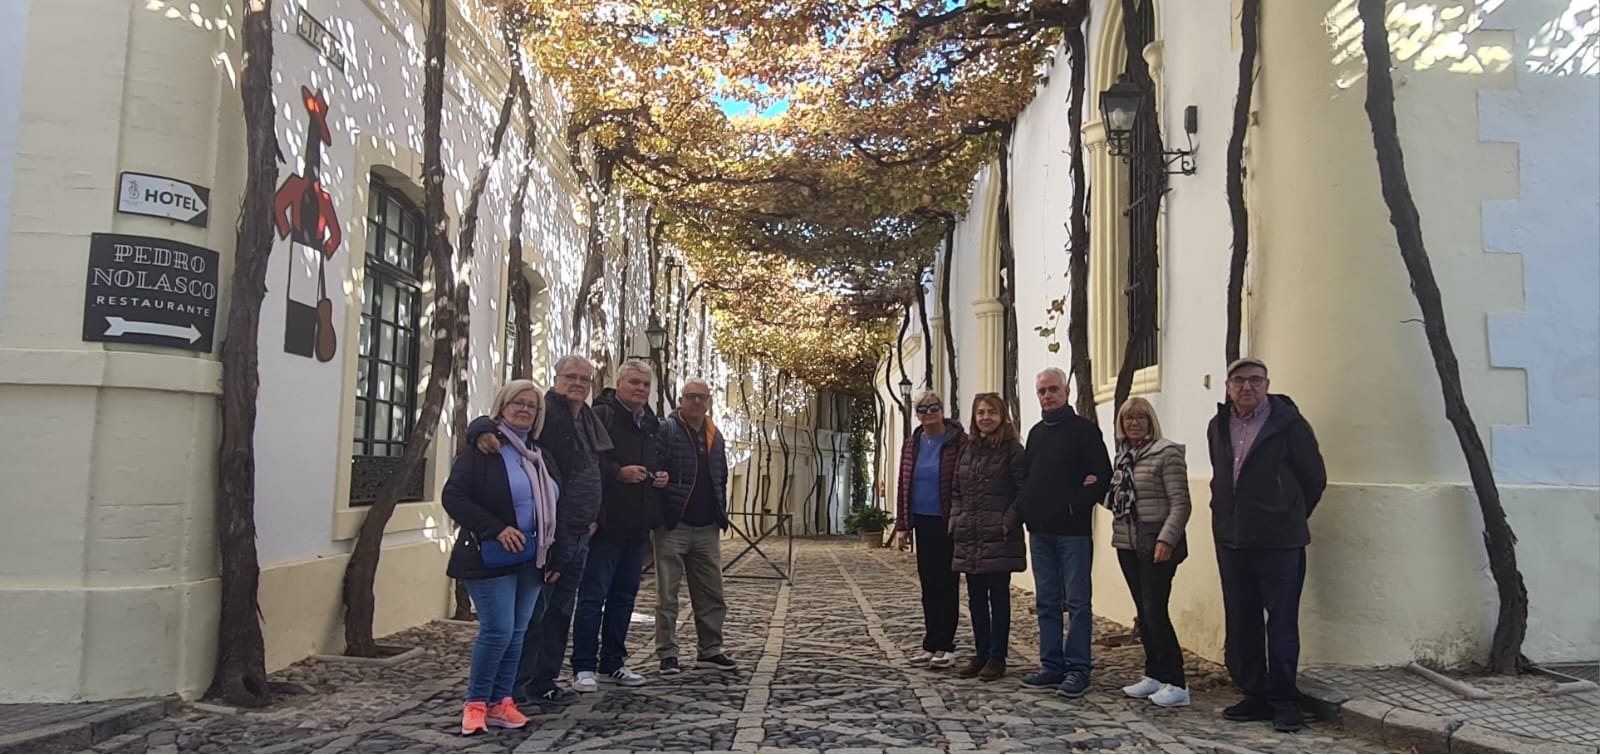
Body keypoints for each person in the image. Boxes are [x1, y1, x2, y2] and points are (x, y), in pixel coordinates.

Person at [469, 355, 612, 705]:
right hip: (551, 535)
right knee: (534, 616)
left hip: (581, 533)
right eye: (571, 377)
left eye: (585, 379)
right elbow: (491, 424)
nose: (579, 383)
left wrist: (597, 517)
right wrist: (479, 432)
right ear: (557, 378)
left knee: (561, 611)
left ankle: (543, 679)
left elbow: (597, 470)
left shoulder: (589, 419)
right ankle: (513, 686)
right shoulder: (545, 412)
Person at [1208, 357, 1327, 733]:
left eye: (1255, 380)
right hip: (1233, 539)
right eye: (1239, 381)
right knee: (1242, 621)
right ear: (1228, 387)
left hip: (1280, 542)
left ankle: (1284, 699)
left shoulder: (1287, 424)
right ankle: (1255, 694)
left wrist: (1286, 513)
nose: (1247, 387)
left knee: (1281, 623)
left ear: (1267, 384)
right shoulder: (1218, 425)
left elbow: (1314, 479)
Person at [442, 380, 561, 735]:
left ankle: (501, 702)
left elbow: (555, 506)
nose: (524, 409)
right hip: (491, 555)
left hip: (533, 557)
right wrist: (495, 529)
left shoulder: (540, 455)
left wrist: (555, 554)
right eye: (517, 403)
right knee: (497, 631)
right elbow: (454, 497)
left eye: (532, 406)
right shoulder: (485, 448)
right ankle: (476, 704)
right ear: (502, 406)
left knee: (518, 632)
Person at [570, 360, 667, 692]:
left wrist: (657, 476)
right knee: (592, 596)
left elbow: (652, 462)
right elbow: (587, 462)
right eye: (634, 383)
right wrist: (617, 473)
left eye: (645, 384)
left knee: (624, 598)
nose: (640, 389)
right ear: (619, 383)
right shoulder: (601, 415)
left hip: (637, 526)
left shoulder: (650, 423)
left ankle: (614, 662)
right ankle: (583, 666)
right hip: (606, 523)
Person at [1017, 367, 1111, 697]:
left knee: (1078, 603)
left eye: (1053, 389)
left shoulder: (1085, 431)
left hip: (1073, 533)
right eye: (1042, 391)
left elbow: (1101, 476)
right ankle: (1051, 665)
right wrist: (1025, 511)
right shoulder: (1037, 433)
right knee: (1046, 602)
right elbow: (1028, 480)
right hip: (1040, 532)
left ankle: (1078, 668)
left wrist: (1076, 503)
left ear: (1066, 391)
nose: (1047, 395)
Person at [1103, 397, 1192, 708]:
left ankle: (1176, 681)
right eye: (1129, 418)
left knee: (1156, 610)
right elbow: (1117, 498)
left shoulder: (1166, 453)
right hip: (1128, 543)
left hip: (1156, 542)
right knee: (1144, 611)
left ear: (1151, 420)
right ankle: (1154, 673)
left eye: (1141, 417)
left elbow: (1180, 503)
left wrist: (1166, 539)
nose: (1134, 423)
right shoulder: (1124, 457)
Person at [653, 376, 738, 673]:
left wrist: (720, 512)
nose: (697, 402)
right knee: (667, 595)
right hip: (674, 524)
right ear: (681, 400)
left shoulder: (715, 435)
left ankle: (710, 649)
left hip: (707, 527)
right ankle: (668, 653)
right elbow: (655, 466)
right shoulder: (667, 430)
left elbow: (721, 476)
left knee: (712, 593)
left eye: (702, 397)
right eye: (691, 397)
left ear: (709, 401)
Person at [948, 392, 1026, 682]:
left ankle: (997, 655)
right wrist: (957, 518)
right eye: (981, 412)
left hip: (999, 536)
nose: (986, 418)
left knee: (999, 597)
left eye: (991, 412)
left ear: (1001, 416)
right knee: (976, 599)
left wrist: (1007, 521)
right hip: (971, 534)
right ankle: (980, 653)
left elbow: (1022, 490)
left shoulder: (1013, 450)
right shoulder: (967, 450)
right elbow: (956, 489)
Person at [892, 390, 966, 669]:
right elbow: (904, 483)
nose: (929, 412)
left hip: (947, 521)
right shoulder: (913, 444)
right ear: (917, 413)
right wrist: (902, 525)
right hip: (922, 520)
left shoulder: (957, 441)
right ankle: (931, 643)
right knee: (928, 584)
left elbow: (963, 480)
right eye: (923, 409)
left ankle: (946, 646)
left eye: (934, 407)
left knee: (947, 583)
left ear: (942, 409)